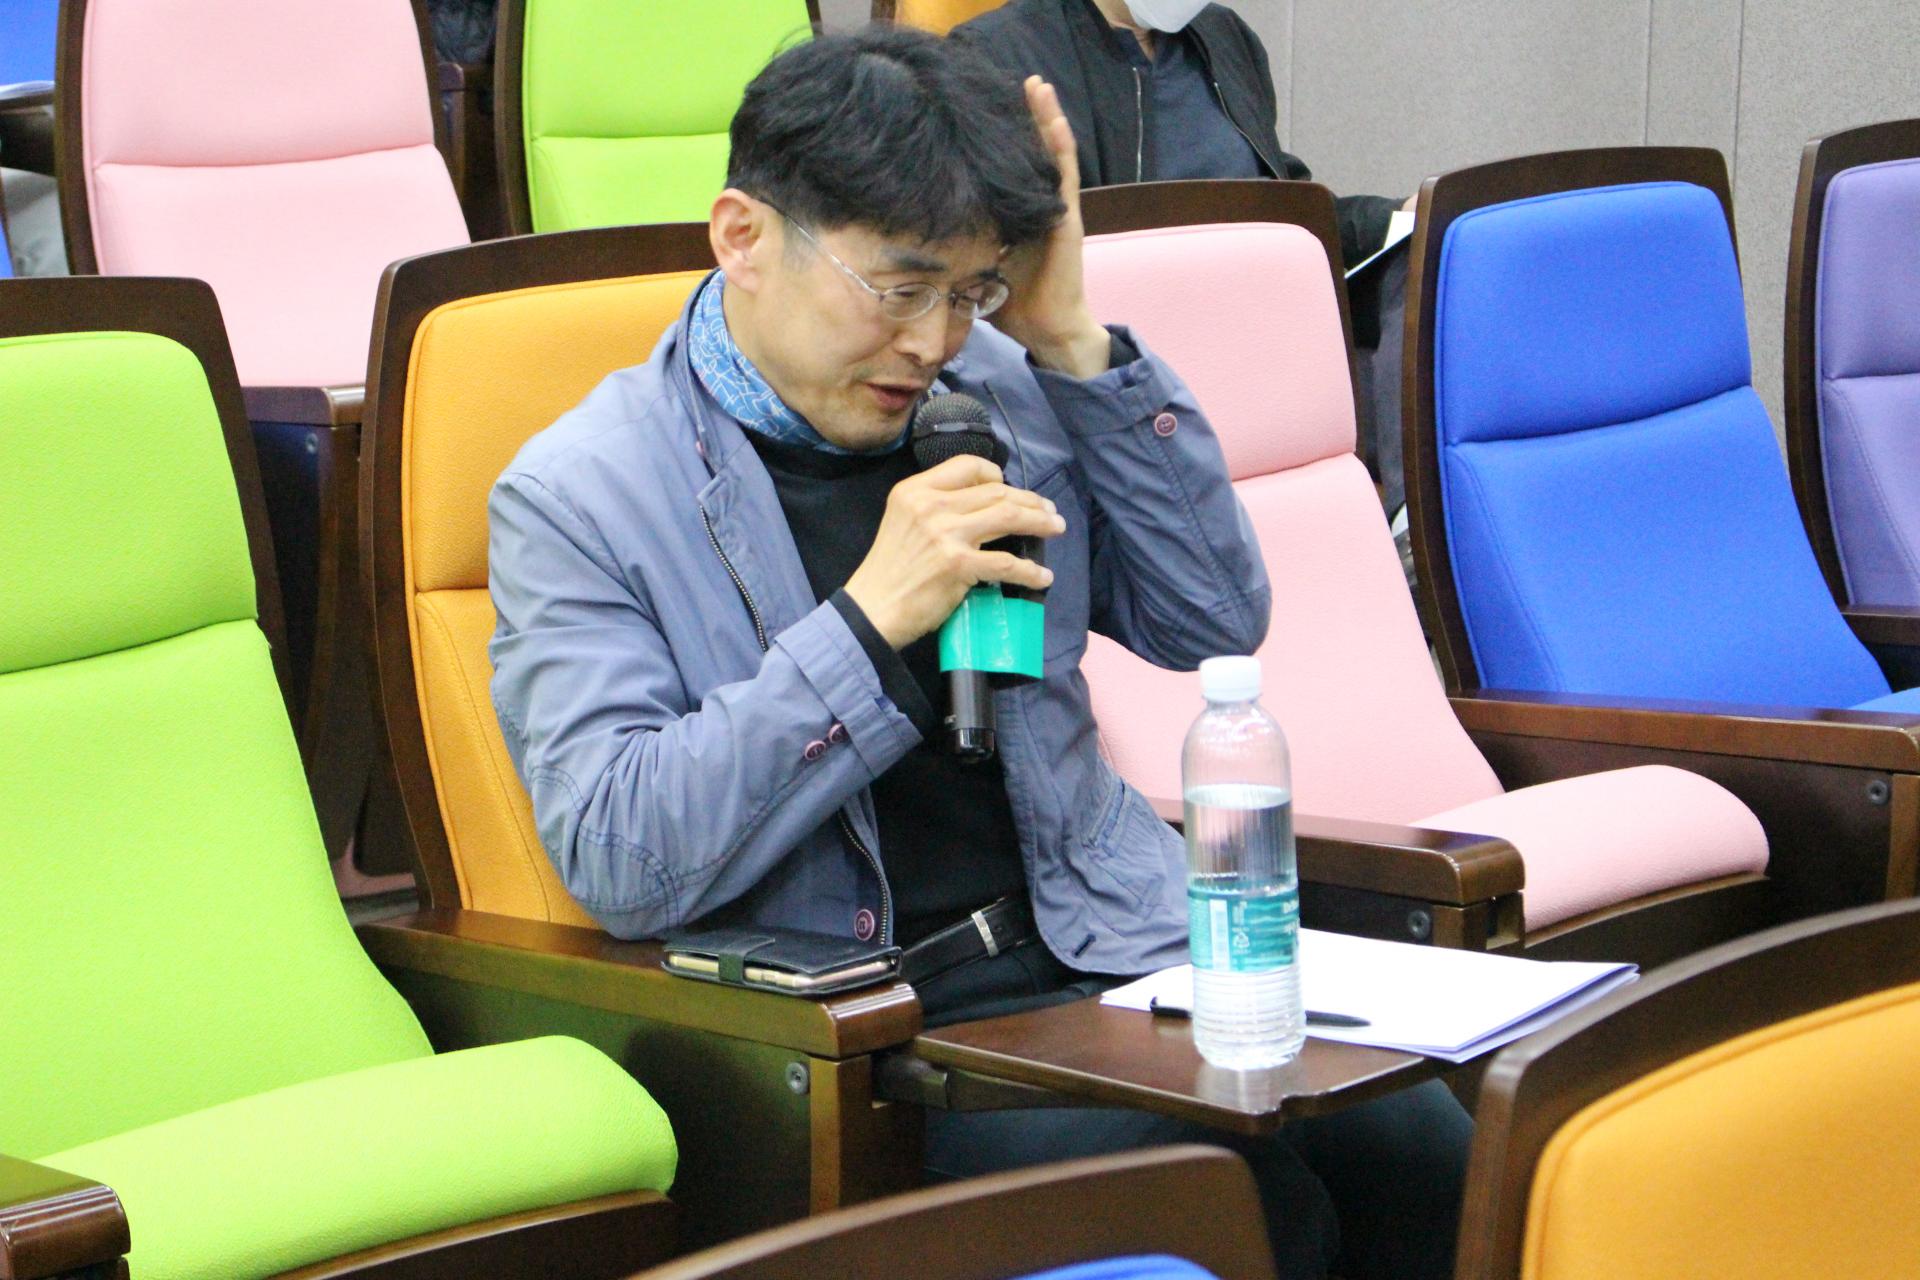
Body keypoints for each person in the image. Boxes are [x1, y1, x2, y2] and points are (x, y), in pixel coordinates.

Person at [487, 26, 1467, 1280]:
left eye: (972, 292)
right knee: (1248, 1203)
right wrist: (866, 622)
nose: (933, 342)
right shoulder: (580, 493)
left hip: (1110, 949)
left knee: (1432, 1144)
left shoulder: (999, 385)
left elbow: (1213, 615)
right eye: (900, 289)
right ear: (742, 236)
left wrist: (1073, 340)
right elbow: (620, 853)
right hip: (878, 1033)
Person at [951, 0, 1416, 534]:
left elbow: (1277, 204)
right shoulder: (997, 53)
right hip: (1124, 350)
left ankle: (1415, 537)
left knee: (1429, 255)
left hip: (1260, 321)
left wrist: (1394, 218)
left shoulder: (1223, 36)